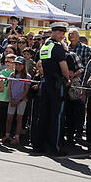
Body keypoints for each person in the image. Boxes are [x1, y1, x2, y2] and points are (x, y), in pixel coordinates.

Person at [33, 22, 73, 154]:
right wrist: (67, 78)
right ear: (54, 32)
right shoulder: (57, 47)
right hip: (56, 84)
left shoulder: (45, 46)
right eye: (61, 33)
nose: (62, 36)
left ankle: (39, 145)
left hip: (45, 82)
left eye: (63, 33)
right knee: (56, 116)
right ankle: (55, 147)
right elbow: (63, 66)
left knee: (43, 115)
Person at [3, 56, 30, 145]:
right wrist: (10, 99)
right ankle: (7, 135)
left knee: (19, 118)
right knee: (9, 118)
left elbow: (26, 90)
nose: (17, 66)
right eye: (16, 64)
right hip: (12, 99)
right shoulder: (12, 75)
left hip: (21, 100)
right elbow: (9, 88)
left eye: (19, 64)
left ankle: (17, 137)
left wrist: (19, 100)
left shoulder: (27, 76)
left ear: (23, 65)